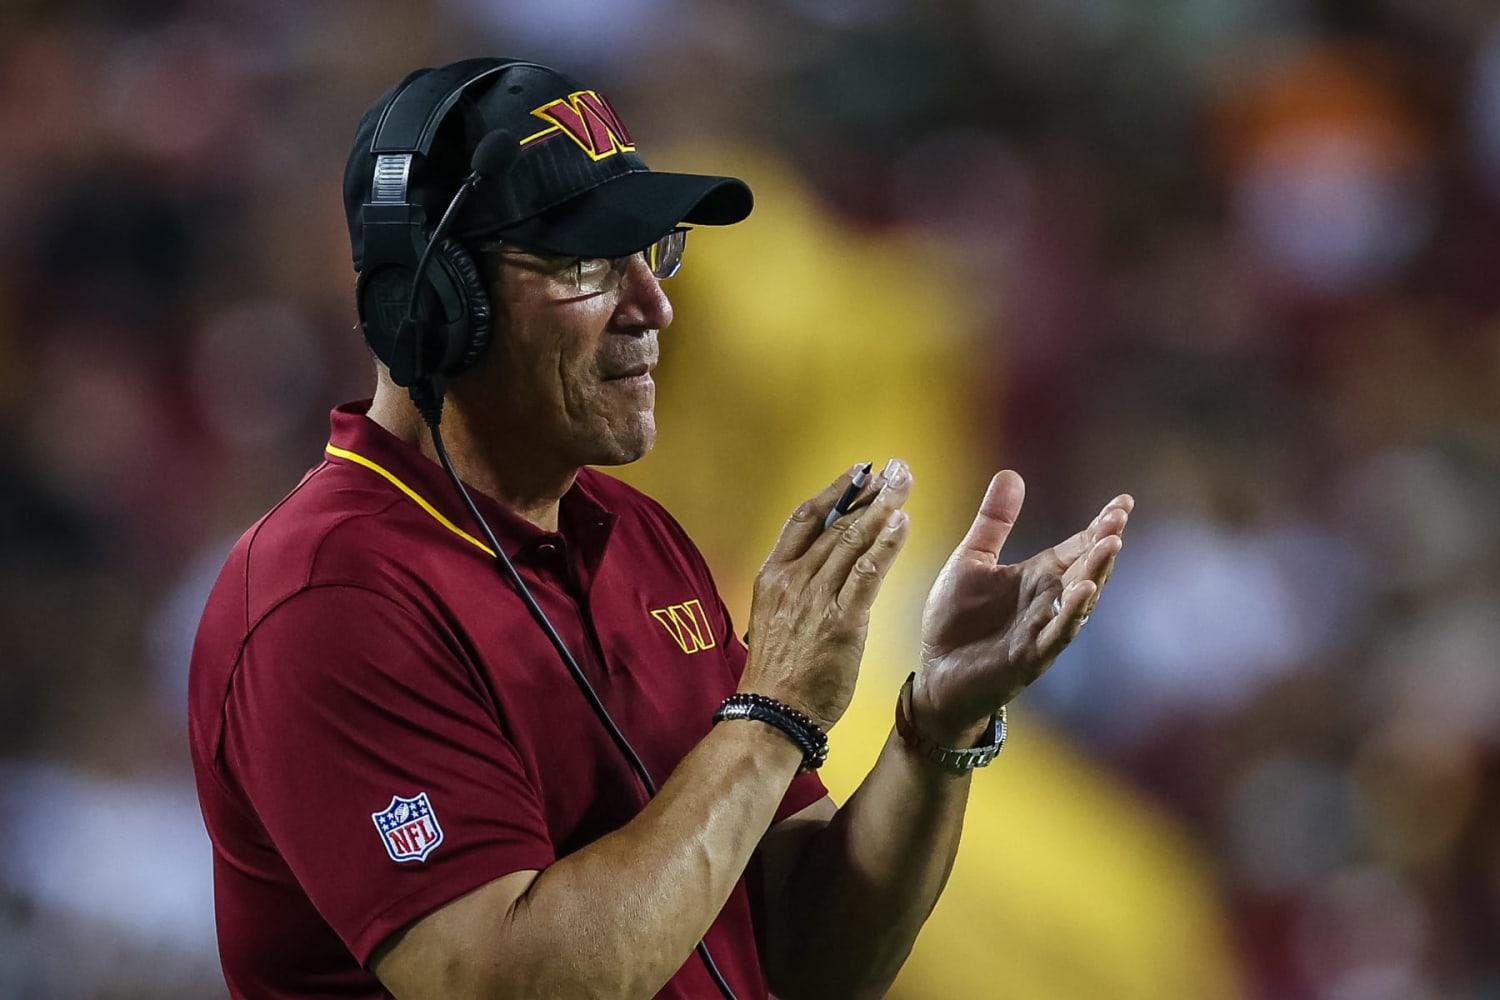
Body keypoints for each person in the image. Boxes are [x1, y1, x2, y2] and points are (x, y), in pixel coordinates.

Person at [188, 56, 1132, 1000]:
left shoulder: (637, 537)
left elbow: (804, 960)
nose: (653, 307)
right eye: (588, 265)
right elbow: (513, 988)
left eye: (654, 253)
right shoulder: (327, 598)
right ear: (437, 303)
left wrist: (937, 726)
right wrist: (775, 715)